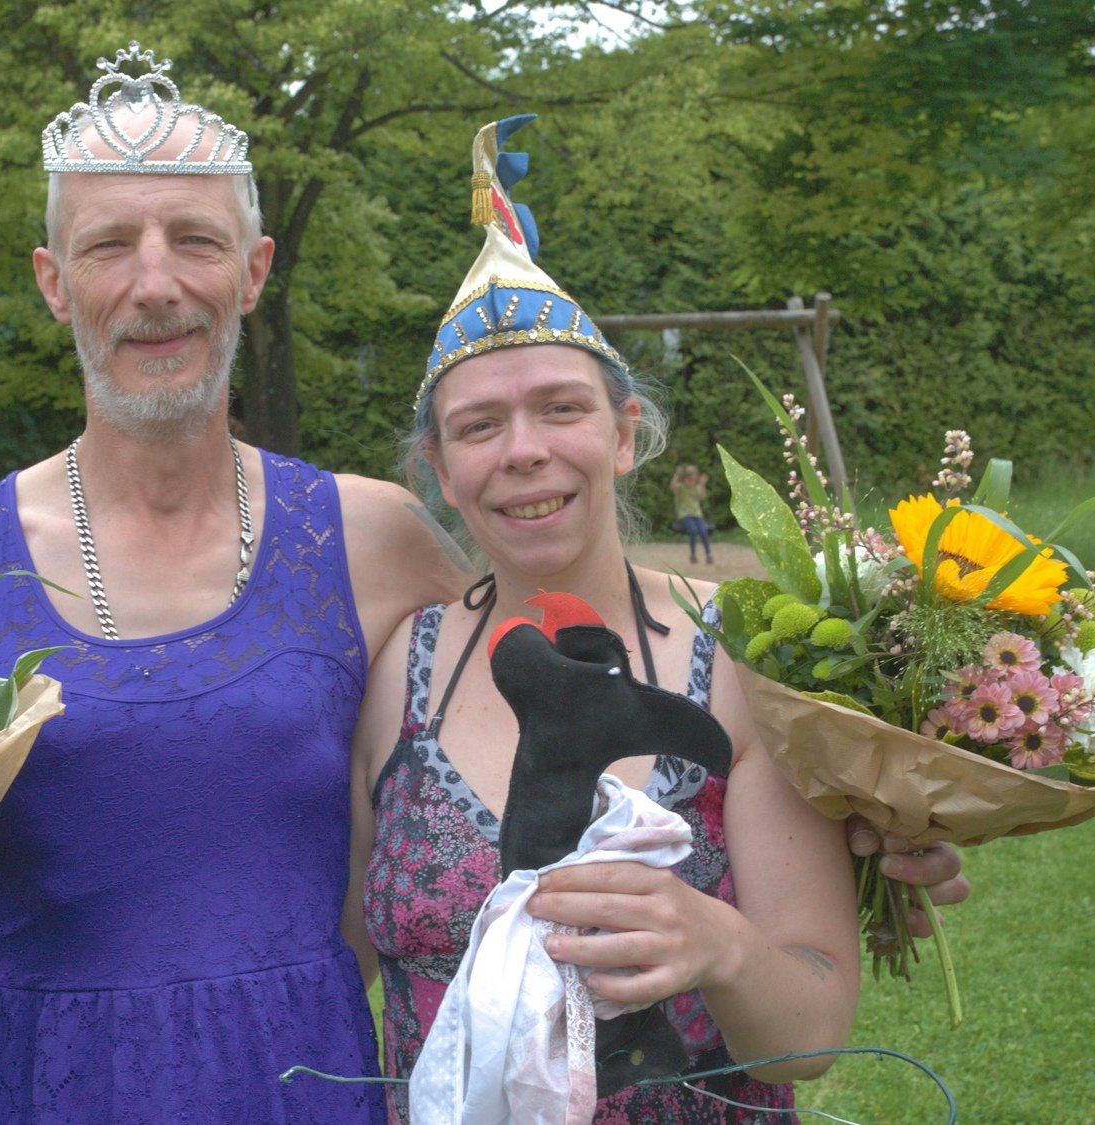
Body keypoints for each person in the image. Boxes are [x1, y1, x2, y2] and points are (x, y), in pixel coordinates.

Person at [0, 45, 966, 1124]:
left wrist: (870, 834)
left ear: (252, 270)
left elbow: (534, 716)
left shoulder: (371, 539)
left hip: (319, 1083)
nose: (153, 284)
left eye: (193, 240)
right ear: (49, 279)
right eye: (105, 246)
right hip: (43, 1085)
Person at [349, 116, 853, 1123]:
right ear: (438, 473)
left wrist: (720, 946)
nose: (523, 450)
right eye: (479, 426)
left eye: (560, 409)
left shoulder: (743, 656)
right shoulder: (398, 668)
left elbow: (811, 1033)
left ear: (625, 436)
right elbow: (325, 951)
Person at [672, 462, 714, 565]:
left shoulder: (697, 487)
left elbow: (702, 496)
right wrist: (676, 475)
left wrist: (703, 484)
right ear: (684, 479)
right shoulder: (681, 487)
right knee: (693, 531)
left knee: (704, 531)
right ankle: (693, 555)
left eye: (693, 479)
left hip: (697, 514)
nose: (691, 481)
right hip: (685, 515)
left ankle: (708, 554)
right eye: (688, 479)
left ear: (696, 479)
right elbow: (673, 486)